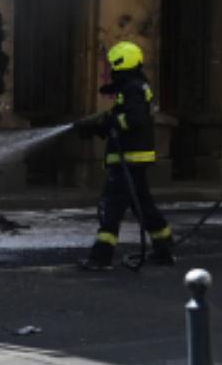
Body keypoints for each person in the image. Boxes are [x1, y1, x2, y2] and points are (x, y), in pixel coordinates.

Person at [73, 41, 175, 270]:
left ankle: (101, 257)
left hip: (127, 158)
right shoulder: (134, 86)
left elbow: (133, 120)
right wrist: (95, 128)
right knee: (142, 205)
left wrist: (108, 122)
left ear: (122, 62)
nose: (108, 70)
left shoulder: (132, 88)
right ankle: (164, 246)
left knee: (112, 206)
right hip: (133, 157)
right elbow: (121, 119)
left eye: (111, 65)